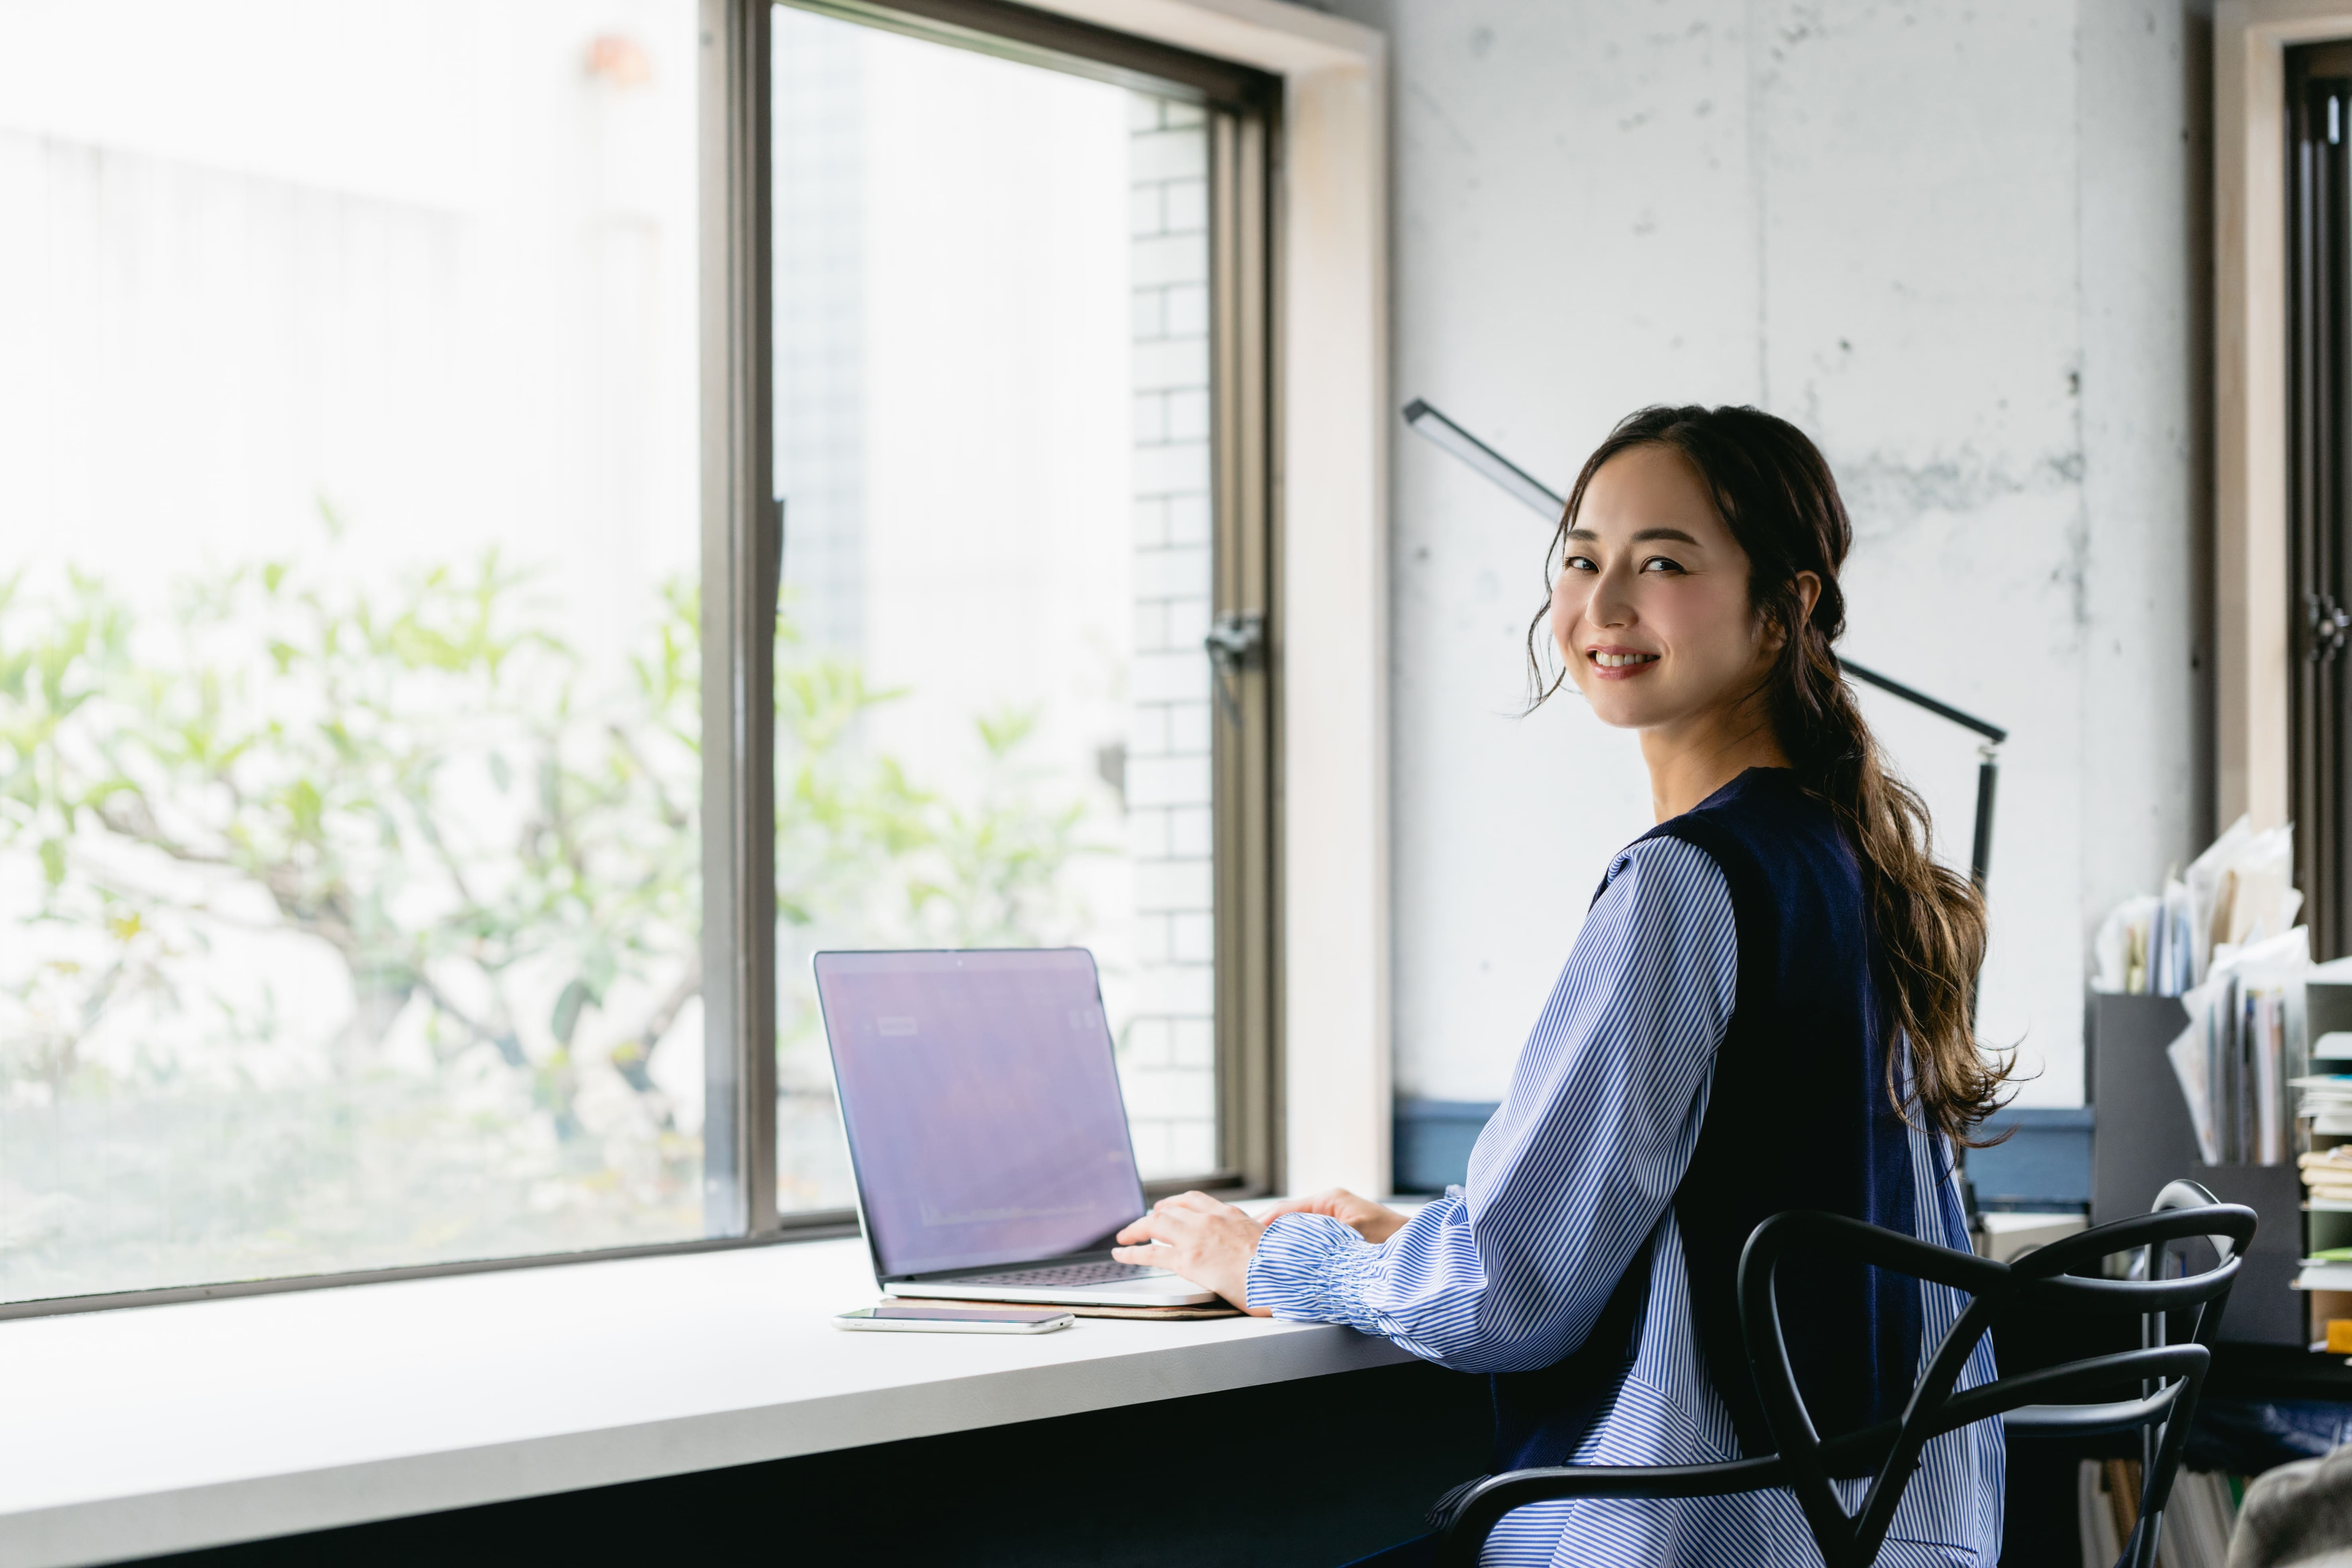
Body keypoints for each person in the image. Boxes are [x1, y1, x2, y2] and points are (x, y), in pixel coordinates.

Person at [1112, 404, 2008, 1566]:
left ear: (1782, 609)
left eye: (1664, 563)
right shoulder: (1856, 865)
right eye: (1582, 559)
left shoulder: (1687, 882)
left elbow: (1505, 1297)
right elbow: (1695, 1213)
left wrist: (1263, 1255)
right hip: (1878, 1535)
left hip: (1696, 1534)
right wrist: (1421, 1236)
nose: (1605, 604)